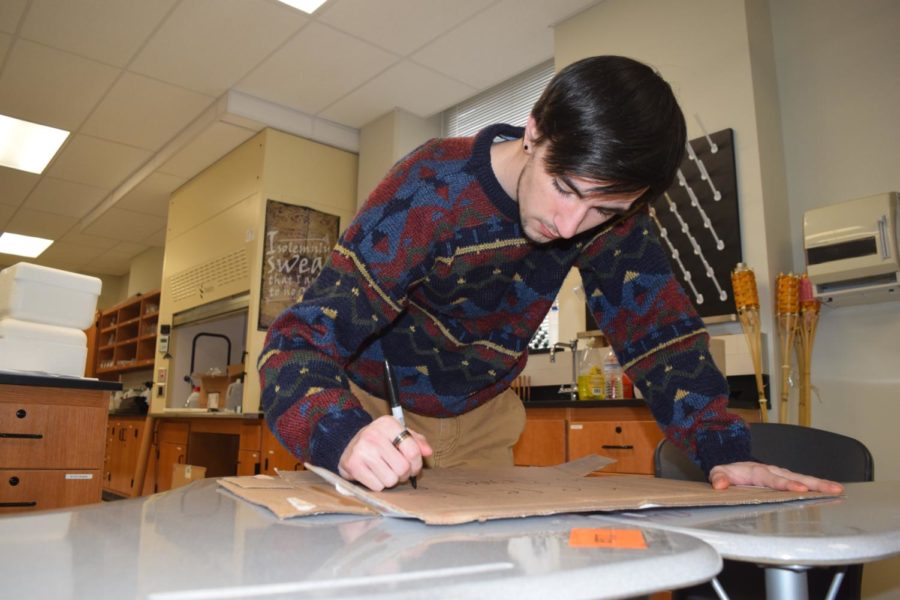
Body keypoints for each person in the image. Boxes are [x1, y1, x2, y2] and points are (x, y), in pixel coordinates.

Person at [258, 55, 842, 495]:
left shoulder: (612, 220)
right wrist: (341, 433)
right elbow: (293, 346)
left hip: (484, 420)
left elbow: (661, 338)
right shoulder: (429, 191)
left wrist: (721, 449)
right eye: (565, 188)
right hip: (371, 410)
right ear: (534, 131)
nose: (570, 225)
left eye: (603, 211)